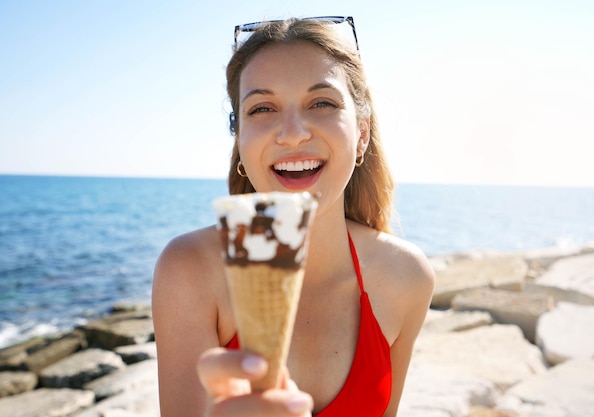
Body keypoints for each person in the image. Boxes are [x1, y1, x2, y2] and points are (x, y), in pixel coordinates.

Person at [152, 16, 435, 417]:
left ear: (362, 135)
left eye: (321, 103)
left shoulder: (407, 276)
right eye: (262, 108)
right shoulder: (191, 270)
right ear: (240, 141)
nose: (291, 132)